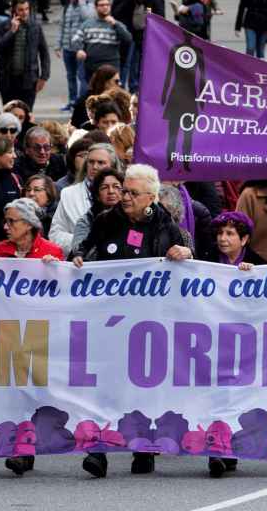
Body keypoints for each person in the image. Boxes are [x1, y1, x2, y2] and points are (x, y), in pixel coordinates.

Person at [71, 164, 190, 477]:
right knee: (104, 385)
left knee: (139, 386)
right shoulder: (106, 221)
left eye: (132, 193)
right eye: (124, 190)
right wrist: (79, 258)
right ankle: (98, 451)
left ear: (150, 196)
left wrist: (184, 252)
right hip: (109, 317)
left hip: (147, 322)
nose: (124, 197)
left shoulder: (164, 223)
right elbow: (83, 250)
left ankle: (142, 446)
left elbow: (185, 264)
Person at [0, 0, 51, 106]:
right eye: (21, 10)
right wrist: (11, 31)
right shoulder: (3, 26)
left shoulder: (35, 27)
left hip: (29, 80)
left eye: (27, 9)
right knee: (9, 115)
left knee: (26, 115)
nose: (24, 13)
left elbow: (44, 52)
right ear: (13, 11)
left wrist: (44, 77)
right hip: (7, 80)